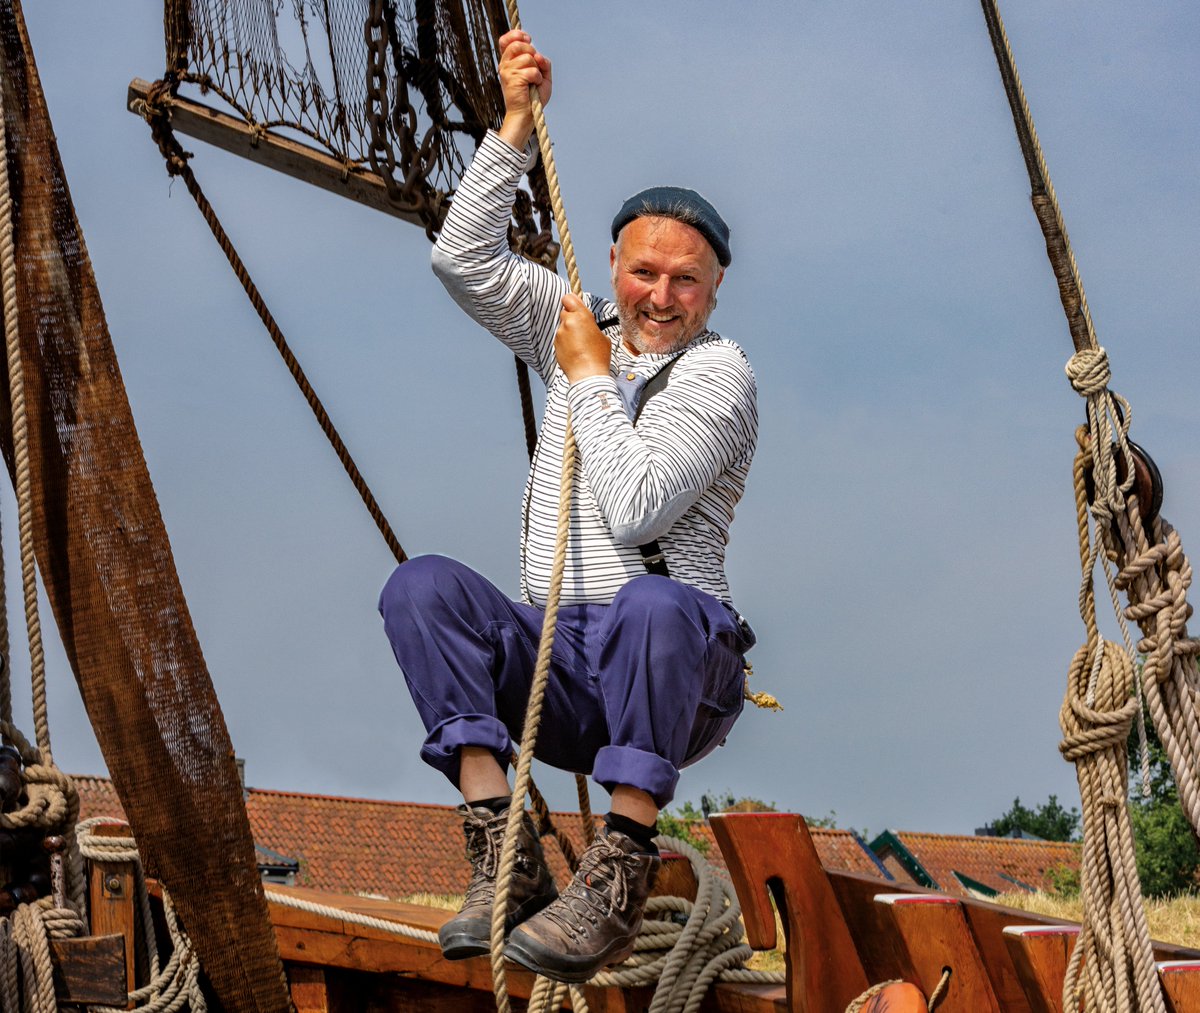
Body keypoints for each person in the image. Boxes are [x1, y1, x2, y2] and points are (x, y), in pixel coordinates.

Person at [378, 29, 758, 984]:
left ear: (714, 292)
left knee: (652, 602)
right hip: (561, 664)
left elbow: (635, 510)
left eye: (684, 280)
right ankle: (502, 852)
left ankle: (619, 872)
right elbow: (461, 263)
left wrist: (587, 378)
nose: (660, 295)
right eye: (643, 272)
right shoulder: (575, 320)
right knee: (420, 588)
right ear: (617, 266)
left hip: (675, 668)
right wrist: (511, 128)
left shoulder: (721, 376)